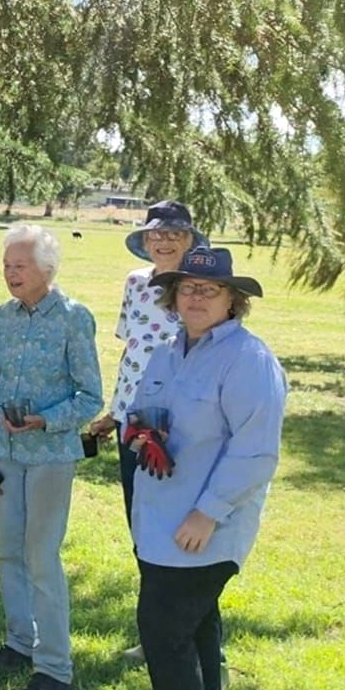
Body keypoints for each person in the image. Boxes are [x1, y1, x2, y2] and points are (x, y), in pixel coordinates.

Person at [128, 247, 286, 690]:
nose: (195, 297)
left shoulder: (248, 359)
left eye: (209, 289)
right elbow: (148, 412)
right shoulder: (170, 351)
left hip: (202, 530)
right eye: (187, 288)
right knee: (195, 632)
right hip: (160, 524)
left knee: (164, 632)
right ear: (173, 297)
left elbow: (256, 452)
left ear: (232, 301)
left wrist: (207, 513)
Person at [0, 226, 103, 690]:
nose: (10, 274)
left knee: (40, 559)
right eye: (7, 265)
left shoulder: (73, 318)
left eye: (20, 266)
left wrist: (43, 421)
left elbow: (91, 396)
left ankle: (55, 670)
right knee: (7, 553)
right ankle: (18, 645)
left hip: (50, 458)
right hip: (5, 457)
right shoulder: (2, 318)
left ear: (47, 270)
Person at [89, 201, 210, 663]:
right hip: (132, 424)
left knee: (182, 535)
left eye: (174, 235)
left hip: (177, 426)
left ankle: (198, 639)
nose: (163, 242)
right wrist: (115, 412)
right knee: (143, 530)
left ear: (189, 241)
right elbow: (132, 353)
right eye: (156, 235)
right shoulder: (135, 284)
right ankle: (156, 633)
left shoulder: (199, 290)